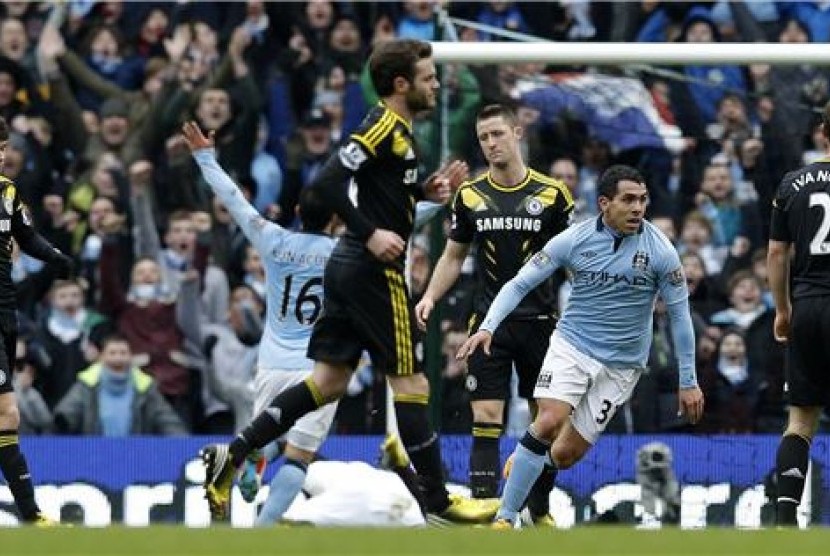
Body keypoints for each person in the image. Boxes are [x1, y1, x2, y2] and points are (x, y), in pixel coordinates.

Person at [199, 38, 498, 524]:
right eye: (428, 78)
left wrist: (423, 193)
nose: (437, 84)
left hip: (348, 268)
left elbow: (376, 194)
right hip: (371, 270)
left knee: (328, 382)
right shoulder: (382, 125)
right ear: (401, 84)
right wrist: (371, 232)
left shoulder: (400, 132)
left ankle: (233, 458)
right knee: (411, 381)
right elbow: (326, 184)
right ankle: (439, 503)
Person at [457, 165, 704, 528]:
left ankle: (528, 459)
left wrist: (689, 379)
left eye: (643, 199)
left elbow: (681, 317)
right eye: (628, 200)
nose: (638, 208)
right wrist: (488, 326)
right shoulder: (573, 239)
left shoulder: (661, 252)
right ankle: (505, 519)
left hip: (621, 365)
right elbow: (519, 283)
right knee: (550, 419)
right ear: (604, 203)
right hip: (572, 346)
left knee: (566, 454)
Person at [414, 103, 573, 524]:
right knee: (486, 417)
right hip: (487, 326)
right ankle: (485, 513)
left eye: (497, 134)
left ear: (517, 133)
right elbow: (452, 256)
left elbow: (575, 261)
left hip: (542, 326)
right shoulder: (470, 196)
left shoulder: (553, 194)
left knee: (547, 423)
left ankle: (539, 510)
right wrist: (430, 296)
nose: (491, 144)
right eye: (484, 137)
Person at [183, 120, 340, 526]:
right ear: (337, 220)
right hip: (318, 367)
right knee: (299, 455)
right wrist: (432, 201)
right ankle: (262, 530)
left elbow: (234, 200)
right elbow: (399, 232)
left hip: (270, 362)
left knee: (266, 433)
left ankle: (251, 459)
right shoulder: (345, 253)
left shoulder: (273, 239)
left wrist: (205, 157)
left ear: (300, 212)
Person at [0, 115, 73, 525]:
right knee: (7, 412)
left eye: (2, 149)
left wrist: (57, 257)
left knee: (5, 417)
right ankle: (31, 514)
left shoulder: (7, 192)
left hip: (6, 313)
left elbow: (26, 238)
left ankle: (31, 516)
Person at [766, 100, 830, 527]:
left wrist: (783, 309)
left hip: (807, 305)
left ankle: (786, 515)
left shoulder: (792, 184)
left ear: (822, 133)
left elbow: (776, 254)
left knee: (801, 420)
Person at [52, 334, 187, 436]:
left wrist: (181, 442)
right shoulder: (87, 384)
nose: (118, 358)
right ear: (102, 357)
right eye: (112, 353)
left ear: (130, 357)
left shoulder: (144, 387)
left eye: (123, 353)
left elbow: (166, 419)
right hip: (95, 454)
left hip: (134, 455)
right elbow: (66, 414)